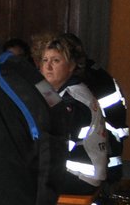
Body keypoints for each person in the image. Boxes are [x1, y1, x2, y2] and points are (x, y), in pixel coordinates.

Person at [32, 32, 109, 196]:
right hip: (66, 169)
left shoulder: (74, 99)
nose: (48, 66)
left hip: (79, 176)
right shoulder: (57, 90)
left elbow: (59, 142)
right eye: (45, 60)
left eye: (56, 60)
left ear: (72, 65)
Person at [59, 31, 128, 172]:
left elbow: (73, 131)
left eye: (55, 59)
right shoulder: (98, 74)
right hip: (106, 154)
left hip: (90, 160)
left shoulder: (80, 85)